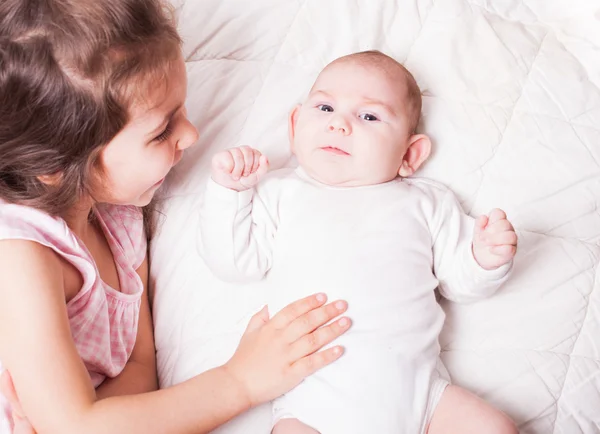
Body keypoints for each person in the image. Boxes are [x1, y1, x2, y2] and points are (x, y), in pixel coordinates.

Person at [0, 1, 350, 433]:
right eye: (162, 130)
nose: (192, 135)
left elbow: (141, 370)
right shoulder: (21, 254)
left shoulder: (121, 223)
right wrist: (240, 382)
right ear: (57, 165)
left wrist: (93, 418)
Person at [199, 51, 519, 434]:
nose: (339, 124)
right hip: (312, 401)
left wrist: (485, 258)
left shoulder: (427, 201)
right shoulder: (279, 192)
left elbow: (459, 281)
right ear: (295, 124)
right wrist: (228, 192)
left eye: (368, 116)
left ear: (410, 153)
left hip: (419, 397)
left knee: (495, 428)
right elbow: (233, 262)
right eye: (324, 107)